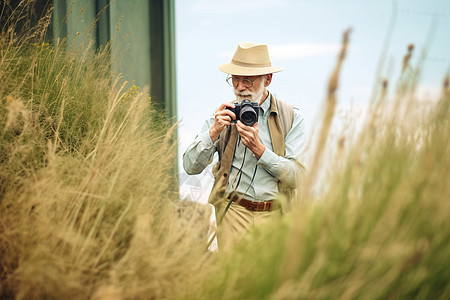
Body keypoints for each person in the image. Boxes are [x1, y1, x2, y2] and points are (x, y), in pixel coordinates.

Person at [183, 42, 307, 250]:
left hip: (277, 215)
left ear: (267, 79)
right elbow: (189, 166)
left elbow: (299, 177)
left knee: (271, 280)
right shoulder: (223, 114)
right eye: (235, 79)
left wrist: (260, 151)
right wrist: (213, 132)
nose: (240, 87)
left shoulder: (292, 118)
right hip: (233, 212)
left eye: (248, 80)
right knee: (234, 280)